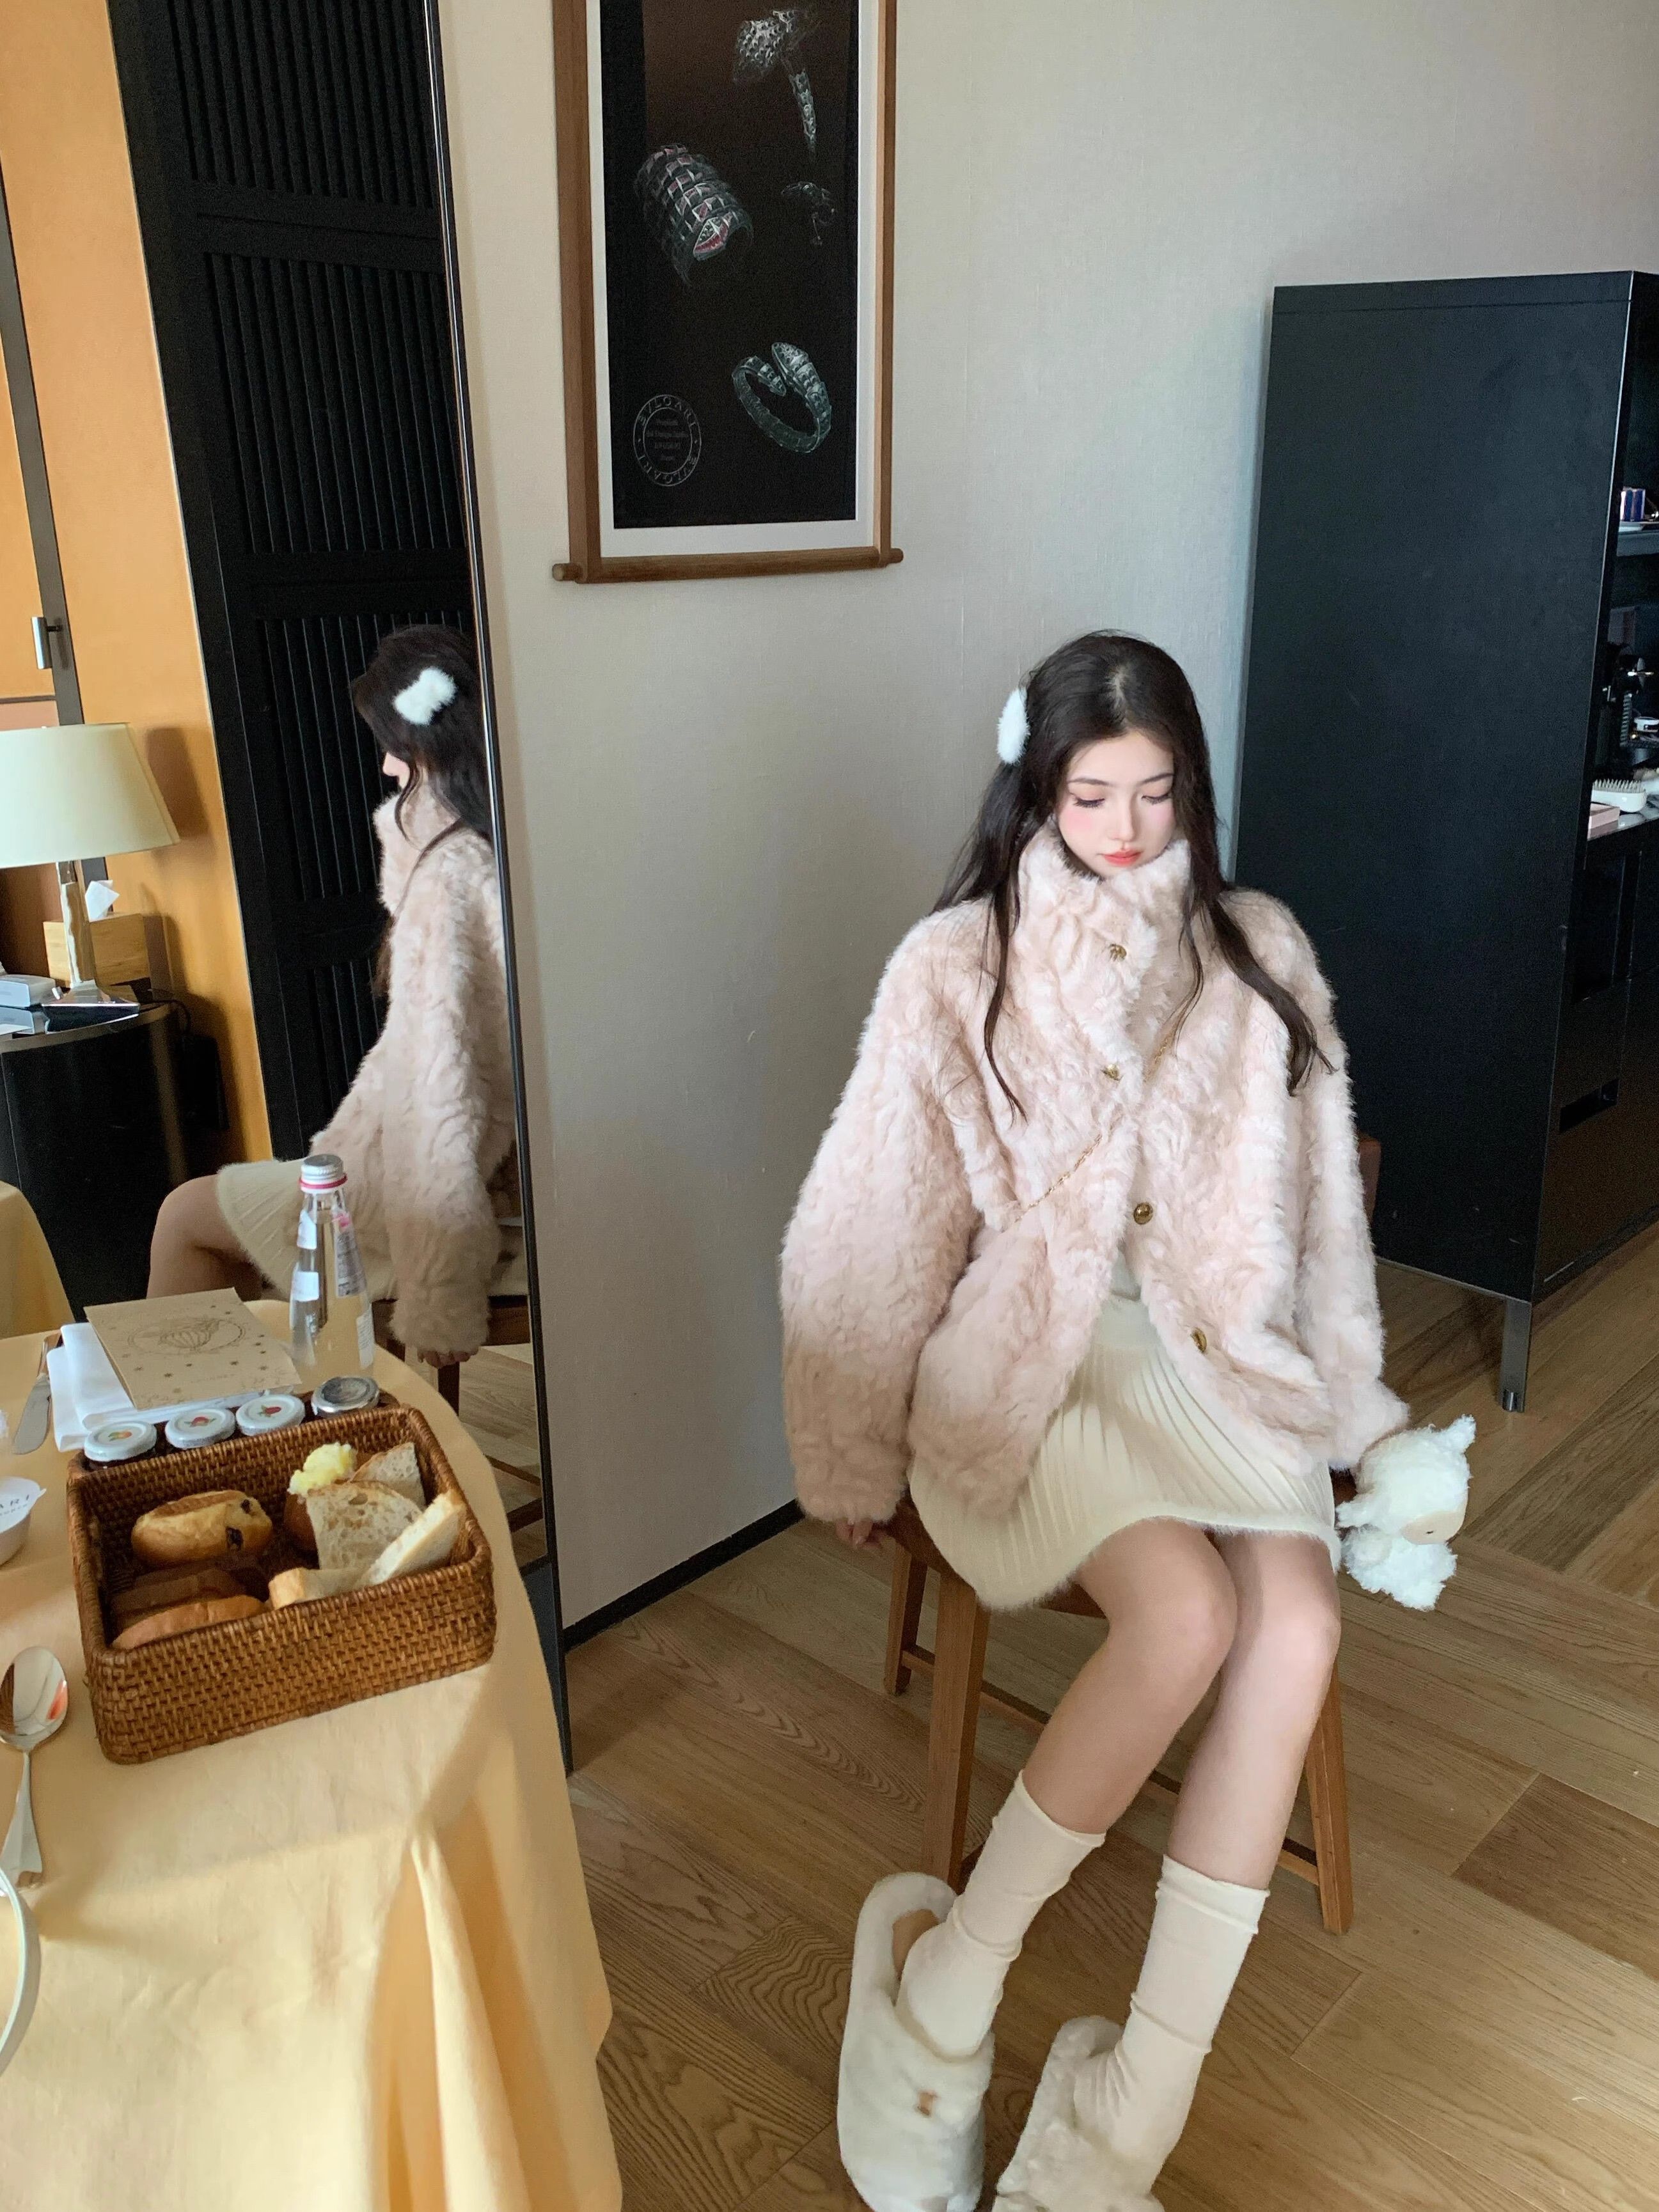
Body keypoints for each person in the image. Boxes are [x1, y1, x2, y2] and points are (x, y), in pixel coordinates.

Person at [782, 633, 1413, 2212]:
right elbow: (873, 1219)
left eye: (1156, 791)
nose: (1128, 828)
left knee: (1298, 1627)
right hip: (1038, 1360)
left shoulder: (1255, 949)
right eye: (1090, 794)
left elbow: (1322, 1218)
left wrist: (1354, 1416)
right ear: (1034, 791)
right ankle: (947, 1987)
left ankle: (1134, 2102)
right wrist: (848, 1445)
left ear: (1191, 783)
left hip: (1220, 1361)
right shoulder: (956, 965)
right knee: (1184, 1614)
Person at [148, 625, 519, 1371]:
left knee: (184, 1215)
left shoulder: (450, 881)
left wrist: (437, 1286)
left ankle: (192, 1412)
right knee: (204, 1215)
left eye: (393, 748)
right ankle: (242, 1407)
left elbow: (442, 1097)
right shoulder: (506, 849)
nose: (385, 767)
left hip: (432, 1188)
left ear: (428, 745)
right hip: (480, 1165)